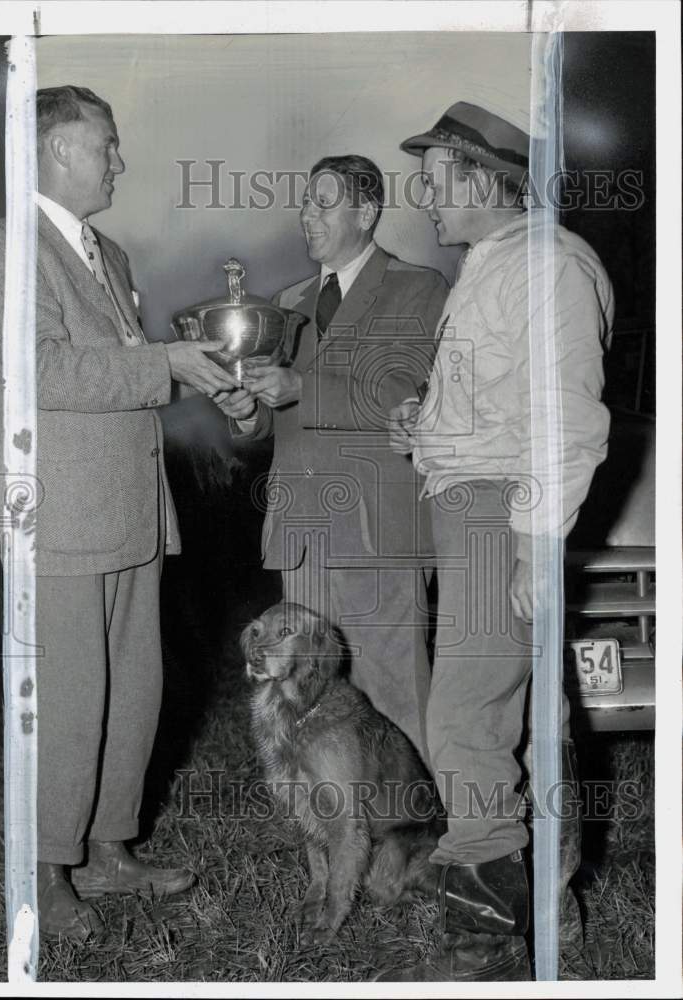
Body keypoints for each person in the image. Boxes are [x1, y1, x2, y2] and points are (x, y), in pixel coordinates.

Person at [0, 85, 237, 941]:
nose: (119, 161)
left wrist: (207, 383)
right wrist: (167, 363)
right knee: (69, 698)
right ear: (56, 149)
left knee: (134, 690)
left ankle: (109, 850)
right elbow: (42, 372)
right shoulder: (9, 243)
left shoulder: (108, 254)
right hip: (62, 516)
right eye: (106, 145)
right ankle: (46, 872)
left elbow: (125, 374)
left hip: (131, 511)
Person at [378, 102, 614, 981]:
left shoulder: (549, 265)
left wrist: (531, 545)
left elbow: (568, 422)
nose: (427, 198)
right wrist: (425, 422)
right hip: (479, 504)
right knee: (530, 721)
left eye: (437, 182)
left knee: (465, 720)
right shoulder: (494, 263)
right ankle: (549, 913)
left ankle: (480, 944)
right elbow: (502, 402)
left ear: (483, 181)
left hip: (501, 513)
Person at [214, 154, 448, 760]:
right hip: (301, 537)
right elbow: (277, 418)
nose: (306, 215)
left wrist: (301, 387)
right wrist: (249, 413)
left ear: (366, 213)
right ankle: (335, 817)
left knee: (395, 699)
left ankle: (419, 815)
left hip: (377, 535)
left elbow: (401, 393)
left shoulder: (419, 287)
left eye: (323, 202)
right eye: (304, 202)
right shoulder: (287, 304)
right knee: (311, 707)